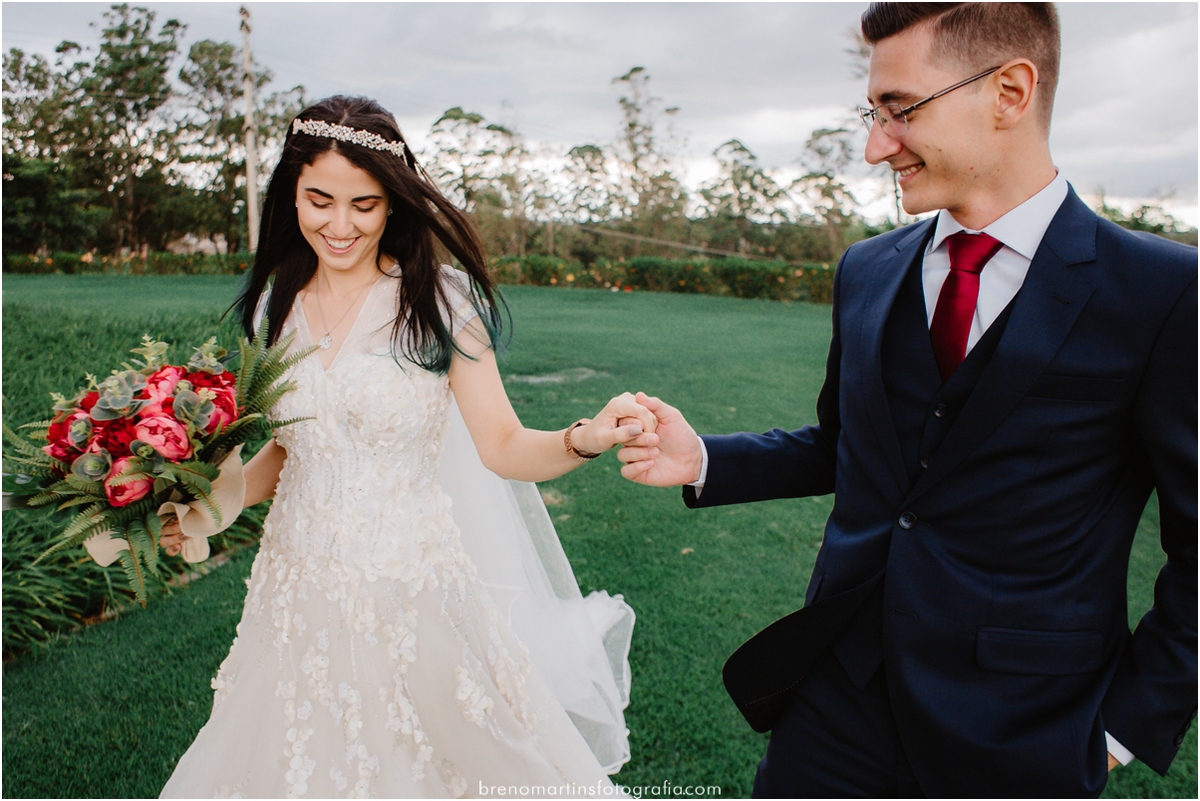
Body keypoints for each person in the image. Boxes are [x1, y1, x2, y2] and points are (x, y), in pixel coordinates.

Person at [618, 3, 1196, 797]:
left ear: (1010, 91)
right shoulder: (865, 269)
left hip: (1025, 729)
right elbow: (843, 444)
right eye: (872, 112)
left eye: (900, 109)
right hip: (834, 704)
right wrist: (705, 458)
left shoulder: (1162, 293)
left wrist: (1130, 723)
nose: (873, 144)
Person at [157, 95, 655, 798]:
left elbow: (505, 446)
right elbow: (289, 452)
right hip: (294, 592)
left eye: (364, 204)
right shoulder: (278, 305)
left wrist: (586, 437)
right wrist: (208, 507)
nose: (340, 224)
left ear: (392, 203)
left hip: (411, 589)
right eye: (319, 200)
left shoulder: (438, 303)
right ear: (290, 195)